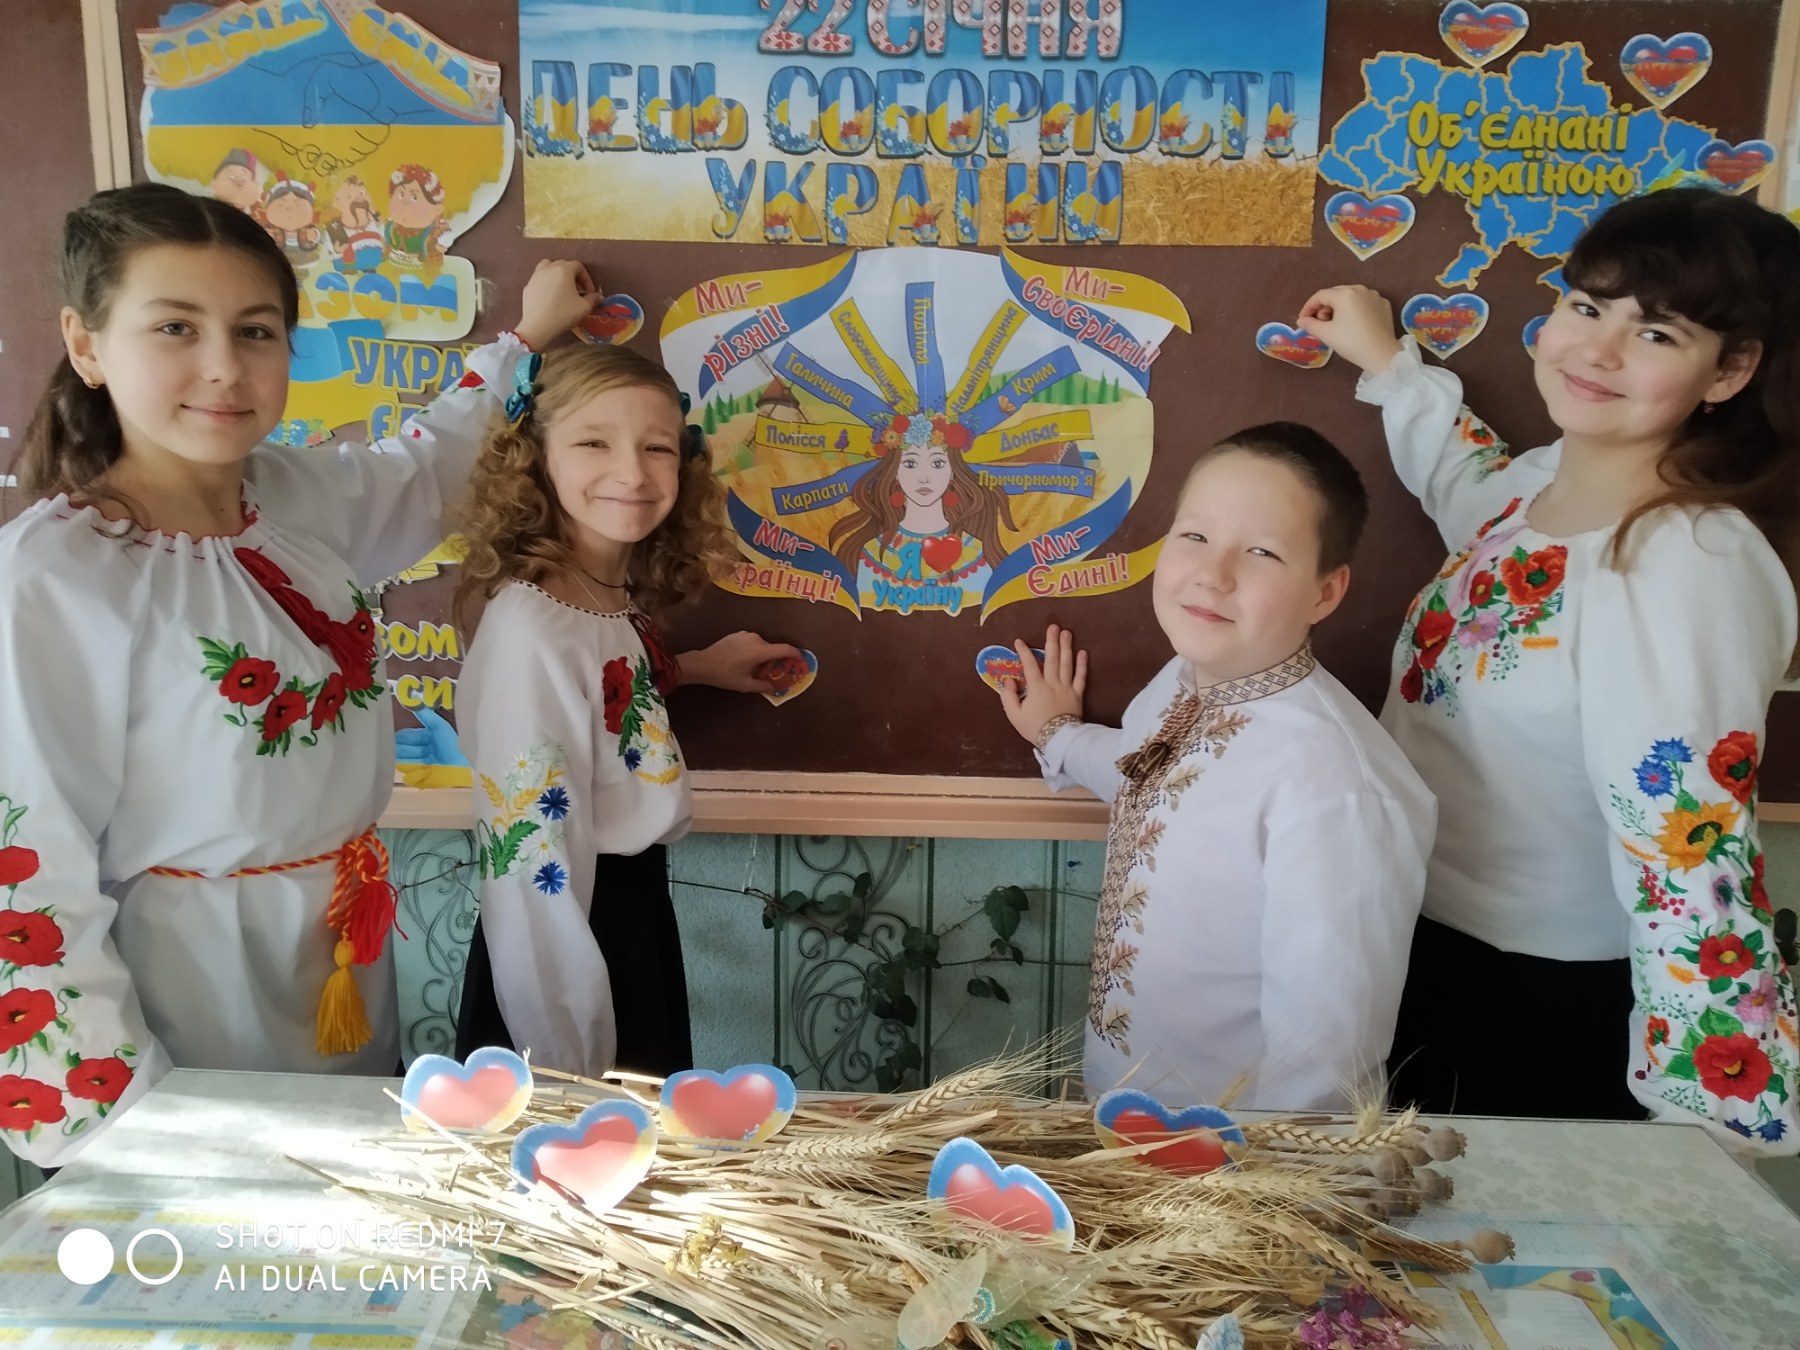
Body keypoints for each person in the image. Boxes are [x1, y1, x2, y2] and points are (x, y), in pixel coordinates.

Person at [0, 180, 598, 1166]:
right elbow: (31, 877)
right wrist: (132, 1136)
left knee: (348, 1198)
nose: (224, 367)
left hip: (339, 952)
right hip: (187, 988)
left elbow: (429, 468)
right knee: (226, 1230)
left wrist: (523, 344)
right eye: (176, 328)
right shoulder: (58, 576)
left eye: (256, 331)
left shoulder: (290, 498)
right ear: (87, 344)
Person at [1298, 187, 1800, 1150]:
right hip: (1423, 948)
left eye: (1655, 332)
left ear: (1731, 370)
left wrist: (1706, 1141)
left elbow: (1690, 857)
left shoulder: (1683, 565)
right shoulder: (1536, 490)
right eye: (1585, 306)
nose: (1596, 350)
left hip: (1540, 1007)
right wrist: (1391, 365)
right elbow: (1466, 480)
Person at [997, 423, 1435, 1110]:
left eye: (1262, 552)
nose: (1213, 573)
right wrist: (1059, 734)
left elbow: (1323, 1063)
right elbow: (1145, 777)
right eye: (1194, 536)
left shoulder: (1337, 787)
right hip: (1119, 1111)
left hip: (1230, 1149)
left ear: (1325, 592)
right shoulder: (1181, 680)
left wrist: (1256, 1174)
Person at [451, 344, 800, 1077]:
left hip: (622, 923)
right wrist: (566, 1064)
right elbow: (533, 864)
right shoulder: (533, 630)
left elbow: (599, 700)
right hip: (569, 940)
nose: (633, 473)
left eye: (657, 447)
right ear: (536, 456)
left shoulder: (597, 596)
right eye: (593, 443)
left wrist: (697, 668)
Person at [828, 413, 1013, 616]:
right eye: (910, 464)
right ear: (896, 472)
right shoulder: (872, 553)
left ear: (952, 471)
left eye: (937, 464)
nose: (924, 478)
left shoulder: (976, 553)